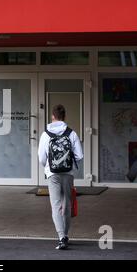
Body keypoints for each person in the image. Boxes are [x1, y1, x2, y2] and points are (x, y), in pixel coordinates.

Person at [38, 104, 83, 250]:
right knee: (67, 204)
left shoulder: (45, 134)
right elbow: (79, 156)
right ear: (64, 117)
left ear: (52, 116)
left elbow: (41, 157)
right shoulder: (72, 133)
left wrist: (48, 167)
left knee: (56, 205)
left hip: (53, 174)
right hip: (68, 174)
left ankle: (61, 236)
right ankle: (66, 235)